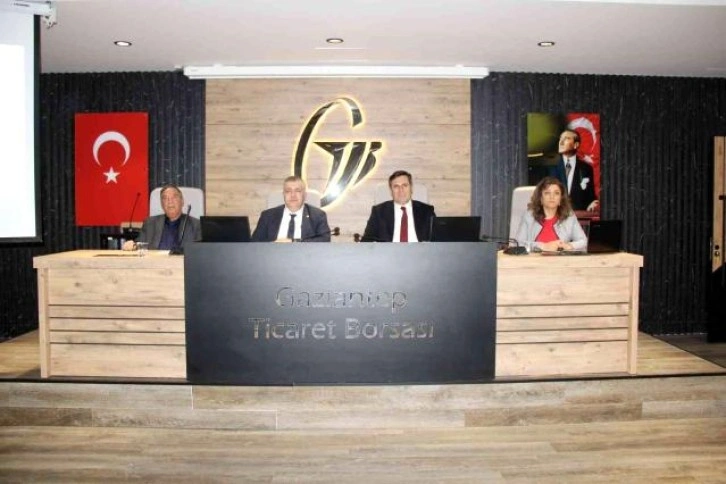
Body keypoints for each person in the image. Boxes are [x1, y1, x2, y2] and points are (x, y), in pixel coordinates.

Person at [515, 176, 587, 252]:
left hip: (560, 259)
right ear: (540, 198)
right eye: (547, 193)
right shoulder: (529, 216)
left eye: (556, 193)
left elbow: (583, 241)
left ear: (560, 199)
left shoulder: (569, 216)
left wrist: (568, 246)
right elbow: (518, 243)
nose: (552, 197)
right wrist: (543, 246)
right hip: (535, 259)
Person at [361, 170, 436, 242]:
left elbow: (438, 241)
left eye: (405, 185)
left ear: (411, 188)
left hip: (420, 250)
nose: (401, 190)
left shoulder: (427, 211)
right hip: (389, 250)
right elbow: (367, 241)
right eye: (396, 186)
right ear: (391, 191)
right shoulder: (378, 212)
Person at [122, 184, 201, 251]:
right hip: (154, 263)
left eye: (174, 197)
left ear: (182, 201)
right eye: (165, 198)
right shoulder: (150, 223)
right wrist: (132, 246)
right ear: (161, 204)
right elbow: (139, 245)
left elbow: (200, 251)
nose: (170, 201)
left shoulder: (196, 225)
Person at [251, 175, 330, 242]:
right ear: (283, 194)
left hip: (305, 255)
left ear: (305, 195)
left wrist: (294, 241)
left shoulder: (317, 216)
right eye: (288, 191)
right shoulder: (267, 216)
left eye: (297, 191)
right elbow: (255, 243)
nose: (293, 195)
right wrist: (273, 245)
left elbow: (324, 240)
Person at [548, 129, 599, 212]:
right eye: (560, 139)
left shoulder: (586, 168)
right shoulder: (550, 166)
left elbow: (591, 197)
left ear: (576, 145)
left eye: (566, 138)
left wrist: (593, 203)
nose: (561, 142)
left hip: (579, 216)